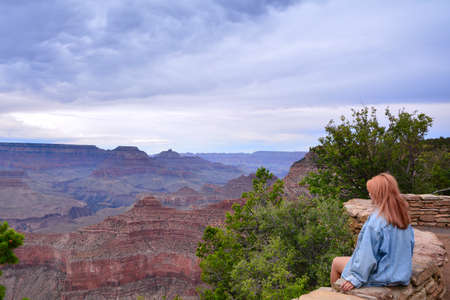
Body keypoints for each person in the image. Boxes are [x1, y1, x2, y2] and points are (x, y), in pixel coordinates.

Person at [330, 173, 415, 291]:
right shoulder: (402, 217)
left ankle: (335, 295)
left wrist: (356, 278)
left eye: (371, 192)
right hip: (400, 274)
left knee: (336, 263)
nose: (369, 195)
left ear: (379, 195)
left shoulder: (376, 221)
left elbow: (367, 255)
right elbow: (409, 247)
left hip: (383, 275)